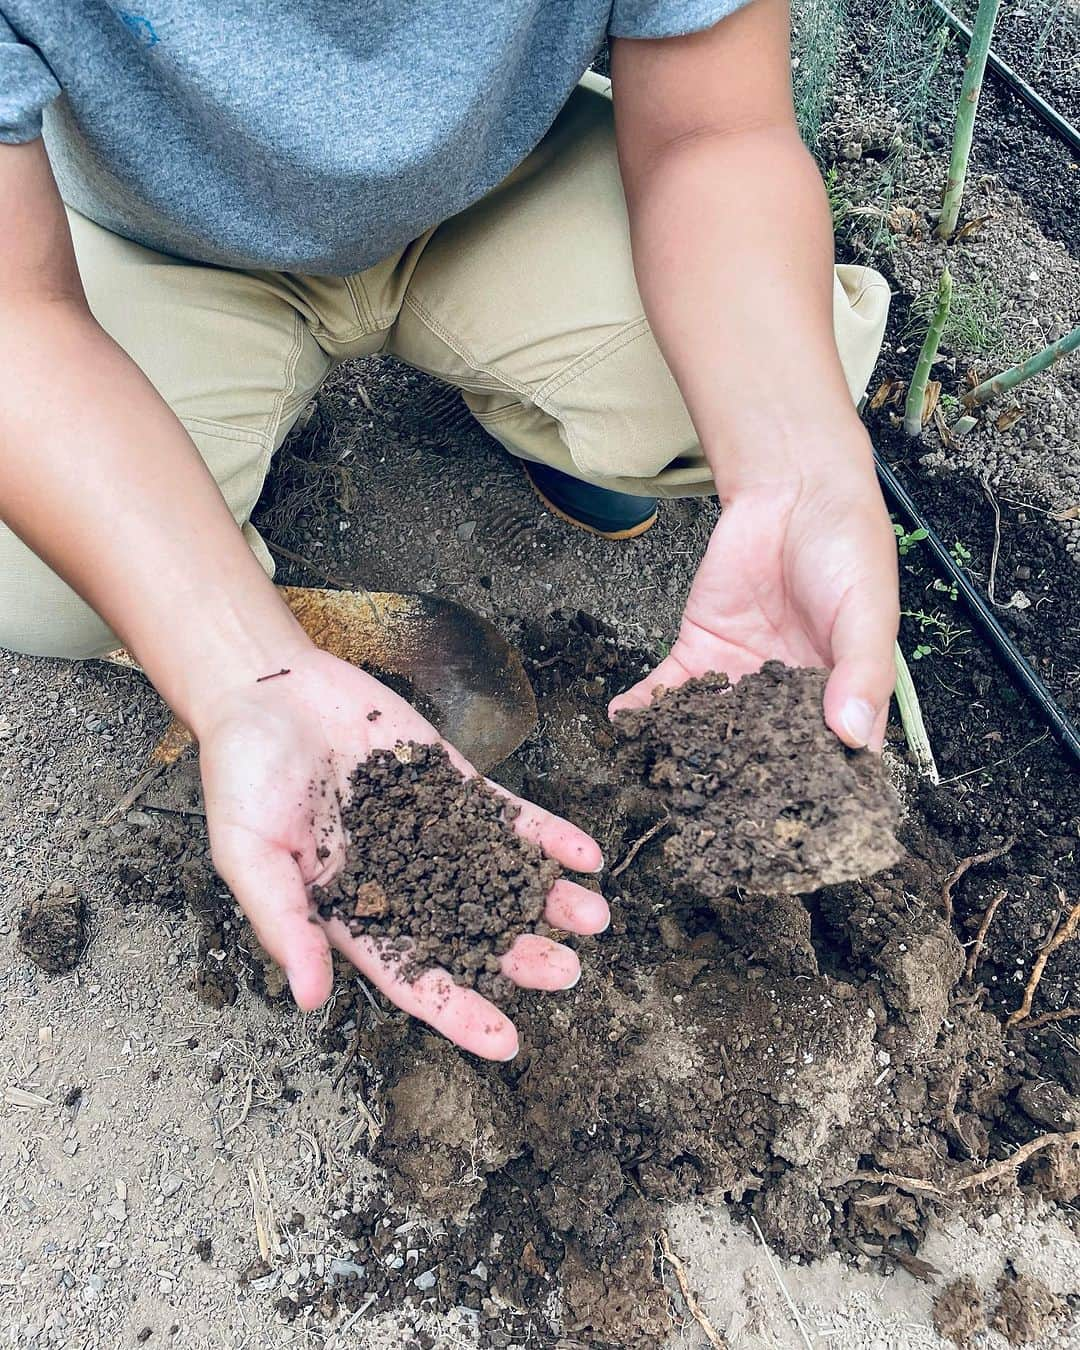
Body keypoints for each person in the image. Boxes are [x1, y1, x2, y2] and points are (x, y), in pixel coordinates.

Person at [0, 1, 898, 1059]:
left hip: (487, 194)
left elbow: (717, 130)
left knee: (787, 374)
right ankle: (246, 581)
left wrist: (798, 473)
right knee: (38, 576)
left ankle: (536, 406)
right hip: (147, 240)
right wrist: (237, 672)